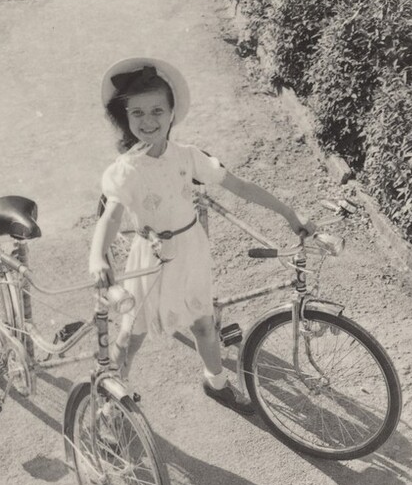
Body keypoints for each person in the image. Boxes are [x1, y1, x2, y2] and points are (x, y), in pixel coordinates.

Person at [89, 56, 313, 415]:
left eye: (157, 111)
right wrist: (97, 256)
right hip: (150, 258)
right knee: (131, 335)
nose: (148, 122)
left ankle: (216, 381)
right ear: (125, 118)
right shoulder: (127, 170)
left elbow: (240, 186)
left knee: (204, 323)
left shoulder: (188, 157)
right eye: (138, 114)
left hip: (191, 250)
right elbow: (111, 216)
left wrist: (289, 213)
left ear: (173, 112)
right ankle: (110, 404)